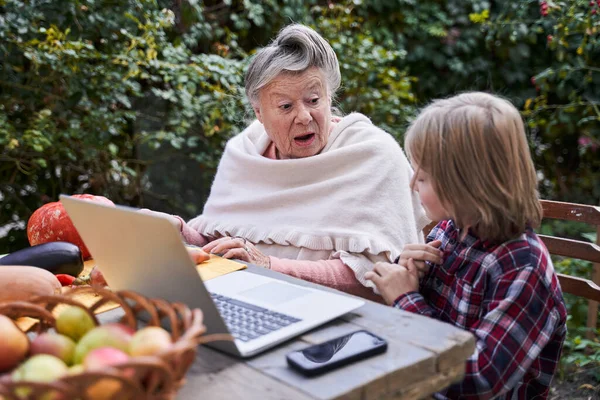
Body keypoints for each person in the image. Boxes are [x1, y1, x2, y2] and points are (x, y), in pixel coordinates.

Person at [152, 23, 428, 302]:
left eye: (313, 100)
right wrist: (176, 231)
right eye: (286, 106)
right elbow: (221, 247)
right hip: (248, 307)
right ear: (259, 113)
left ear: (329, 97)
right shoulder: (243, 153)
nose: (305, 116)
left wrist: (270, 267)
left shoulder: (373, 155)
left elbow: (376, 276)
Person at [365, 92, 567, 399]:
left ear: (468, 186)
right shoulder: (452, 229)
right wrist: (407, 274)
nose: (411, 183)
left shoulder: (524, 268)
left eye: (425, 176)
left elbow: (478, 377)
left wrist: (405, 299)